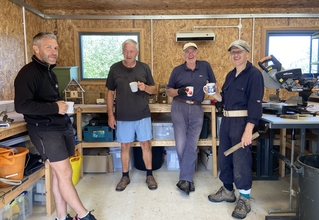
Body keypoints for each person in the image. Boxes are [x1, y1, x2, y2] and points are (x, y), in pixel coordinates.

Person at [14, 32, 96, 220]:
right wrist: (54, 106)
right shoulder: (28, 73)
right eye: (48, 47)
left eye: (56, 48)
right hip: (45, 130)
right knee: (65, 173)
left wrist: (59, 107)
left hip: (60, 127)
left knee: (61, 176)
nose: (54, 51)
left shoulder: (49, 72)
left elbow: (47, 101)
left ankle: (61, 217)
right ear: (36, 49)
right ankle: (84, 216)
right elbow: (22, 105)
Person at [207, 39, 264, 219]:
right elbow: (223, 98)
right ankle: (227, 191)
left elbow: (255, 104)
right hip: (226, 121)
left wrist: (249, 130)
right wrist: (213, 93)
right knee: (225, 157)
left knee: (241, 161)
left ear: (247, 53)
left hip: (242, 123)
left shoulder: (254, 75)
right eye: (233, 52)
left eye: (239, 51)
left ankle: (245, 198)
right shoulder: (231, 75)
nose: (236, 55)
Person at [106, 39, 158, 191]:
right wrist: (110, 114)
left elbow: (154, 89)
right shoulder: (115, 68)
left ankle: (149, 175)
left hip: (142, 114)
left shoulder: (144, 68)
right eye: (126, 51)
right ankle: (125, 176)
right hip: (123, 115)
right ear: (123, 51)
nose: (128, 54)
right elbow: (109, 92)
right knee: (124, 146)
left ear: (137, 52)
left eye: (131, 51)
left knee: (145, 145)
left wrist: (145, 87)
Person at [166, 42, 216, 195]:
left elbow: (214, 84)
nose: (190, 54)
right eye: (187, 51)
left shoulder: (205, 66)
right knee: (181, 144)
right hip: (179, 106)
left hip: (196, 107)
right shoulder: (177, 71)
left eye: (193, 51)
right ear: (183, 55)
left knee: (192, 144)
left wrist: (211, 90)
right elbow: (168, 91)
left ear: (197, 53)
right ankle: (187, 179)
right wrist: (179, 91)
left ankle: (185, 180)